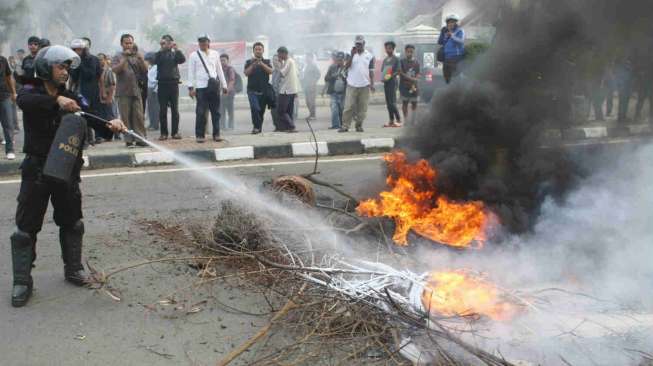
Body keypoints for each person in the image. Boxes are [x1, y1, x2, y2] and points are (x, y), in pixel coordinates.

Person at [11, 45, 126, 307]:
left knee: (72, 221)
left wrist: (111, 125)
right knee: (25, 230)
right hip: (37, 170)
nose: (65, 72)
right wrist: (56, 101)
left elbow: (91, 116)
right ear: (45, 69)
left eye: (66, 67)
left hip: (66, 171)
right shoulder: (32, 92)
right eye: (60, 67)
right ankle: (21, 281)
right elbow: (24, 101)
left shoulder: (73, 97)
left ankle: (73, 269)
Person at [188, 35, 227, 143]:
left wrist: (224, 85)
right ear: (198, 43)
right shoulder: (193, 55)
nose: (203, 44)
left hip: (214, 86)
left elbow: (219, 70)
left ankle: (216, 134)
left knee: (216, 112)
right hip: (201, 88)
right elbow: (191, 72)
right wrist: (191, 88)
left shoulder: (215, 54)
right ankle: (200, 135)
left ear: (208, 42)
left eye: (205, 42)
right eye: (200, 42)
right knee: (200, 112)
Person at [112, 33, 148, 147]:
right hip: (123, 91)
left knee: (138, 116)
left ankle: (140, 139)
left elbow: (145, 70)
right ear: (121, 44)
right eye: (126, 43)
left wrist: (141, 58)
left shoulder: (136, 55)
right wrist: (124, 58)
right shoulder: (117, 56)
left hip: (136, 90)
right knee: (125, 117)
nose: (128, 45)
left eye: (130, 43)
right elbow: (116, 70)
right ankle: (128, 140)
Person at [69, 38, 105, 144]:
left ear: (84, 49)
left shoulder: (93, 59)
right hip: (80, 91)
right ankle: (85, 139)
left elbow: (92, 74)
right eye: (75, 50)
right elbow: (73, 77)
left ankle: (97, 136)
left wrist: (80, 64)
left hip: (92, 91)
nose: (77, 52)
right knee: (81, 114)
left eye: (79, 49)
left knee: (94, 113)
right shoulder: (74, 60)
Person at [340, 35, 375, 133]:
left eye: (360, 44)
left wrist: (372, 84)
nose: (358, 46)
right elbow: (346, 67)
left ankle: (359, 125)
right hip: (351, 84)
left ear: (364, 44)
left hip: (364, 85)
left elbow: (371, 71)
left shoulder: (370, 56)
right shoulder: (349, 54)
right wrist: (352, 55)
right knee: (349, 106)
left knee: (362, 108)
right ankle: (345, 126)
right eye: (357, 44)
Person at [155, 35, 186, 140]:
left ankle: (175, 132)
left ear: (171, 43)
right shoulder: (159, 54)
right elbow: (155, 61)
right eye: (163, 43)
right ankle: (164, 133)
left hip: (173, 84)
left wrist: (177, 48)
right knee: (162, 110)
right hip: (162, 84)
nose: (166, 44)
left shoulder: (175, 54)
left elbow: (182, 60)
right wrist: (161, 48)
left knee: (175, 110)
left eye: (168, 42)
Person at [244, 42, 273, 134]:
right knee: (255, 108)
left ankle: (258, 128)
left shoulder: (267, 61)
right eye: (256, 49)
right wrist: (253, 65)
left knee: (261, 111)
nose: (258, 51)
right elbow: (246, 73)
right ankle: (256, 127)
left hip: (264, 91)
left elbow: (271, 71)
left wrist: (261, 64)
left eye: (260, 49)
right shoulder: (249, 62)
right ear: (253, 51)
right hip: (252, 91)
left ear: (263, 51)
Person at [275, 47, 300, 133]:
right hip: (292, 89)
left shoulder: (288, 61)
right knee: (289, 110)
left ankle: (291, 126)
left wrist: (279, 64)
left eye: (279, 54)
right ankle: (288, 127)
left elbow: (282, 73)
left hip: (286, 89)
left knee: (281, 111)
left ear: (283, 54)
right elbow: (297, 74)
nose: (278, 56)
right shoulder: (292, 61)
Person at [438, 14, 465, 84]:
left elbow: (461, 41)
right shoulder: (445, 32)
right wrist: (442, 33)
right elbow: (440, 42)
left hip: (456, 57)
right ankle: (448, 91)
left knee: (455, 78)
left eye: (453, 22)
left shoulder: (460, 31)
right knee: (447, 77)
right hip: (446, 58)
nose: (451, 23)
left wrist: (452, 36)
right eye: (449, 22)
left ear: (456, 23)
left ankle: (456, 91)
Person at [98, 53, 119, 140]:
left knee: (112, 115)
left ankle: (117, 134)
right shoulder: (99, 71)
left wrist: (110, 97)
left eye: (101, 59)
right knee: (104, 117)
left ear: (105, 60)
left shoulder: (109, 71)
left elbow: (112, 85)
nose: (100, 61)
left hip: (109, 96)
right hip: (101, 97)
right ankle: (107, 136)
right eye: (98, 60)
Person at [0, 53, 17, 160]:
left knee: (8, 124)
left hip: (4, 95)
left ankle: (10, 150)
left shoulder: (2, 60)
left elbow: (8, 77)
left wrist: (13, 92)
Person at [324, 51, 347, 129]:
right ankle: (335, 125)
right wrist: (334, 76)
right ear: (336, 59)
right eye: (338, 59)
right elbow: (326, 78)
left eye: (341, 60)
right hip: (334, 92)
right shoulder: (332, 67)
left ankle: (342, 125)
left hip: (343, 93)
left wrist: (344, 77)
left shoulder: (347, 68)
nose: (340, 61)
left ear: (344, 60)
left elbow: (350, 81)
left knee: (342, 110)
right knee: (334, 110)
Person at [381, 41, 401, 127]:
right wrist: (383, 78)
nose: (387, 50)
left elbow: (398, 71)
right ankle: (391, 120)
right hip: (386, 82)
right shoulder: (385, 60)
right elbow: (383, 71)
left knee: (392, 102)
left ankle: (398, 119)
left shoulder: (396, 59)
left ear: (393, 49)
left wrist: (390, 76)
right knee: (388, 103)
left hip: (392, 82)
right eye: (386, 48)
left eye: (389, 48)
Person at [399, 44, 421, 124]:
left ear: (413, 52)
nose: (410, 53)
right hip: (404, 85)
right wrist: (411, 79)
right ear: (405, 52)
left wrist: (417, 78)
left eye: (411, 52)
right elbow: (400, 72)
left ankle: (413, 120)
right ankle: (406, 120)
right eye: (408, 52)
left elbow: (418, 73)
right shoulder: (401, 61)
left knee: (414, 103)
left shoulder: (416, 62)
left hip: (414, 86)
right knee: (405, 103)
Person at [219, 53, 237, 131]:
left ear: (228, 61)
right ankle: (222, 126)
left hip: (229, 93)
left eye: (224, 60)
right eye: (221, 60)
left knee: (230, 110)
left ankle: (231, 126)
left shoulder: (230, 69)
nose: (222, 62)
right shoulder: (218, 69)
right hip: (221, 93)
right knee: (221, 110)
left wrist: (227, 91)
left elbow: (232, 80)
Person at [302, 53, 320, 120]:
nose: (306, 59)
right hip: (307, 86)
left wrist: (313, 82)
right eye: (306, 57)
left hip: (312, 87)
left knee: (311, 101)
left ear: (311, 58)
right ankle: (311, 114)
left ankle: (313, 115)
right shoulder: (307, 66)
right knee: (307, 101)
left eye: (307, 57)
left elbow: (318, 74)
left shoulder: (313, 65)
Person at [144, 52, 159, 131]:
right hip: (149, 88)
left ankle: (155, 124)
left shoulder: (157, 67)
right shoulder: (150, 67)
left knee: (155, 108)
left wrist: (155, 89)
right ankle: (151, 123)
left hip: (154, 89)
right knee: (150, 107)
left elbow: (156, 80)